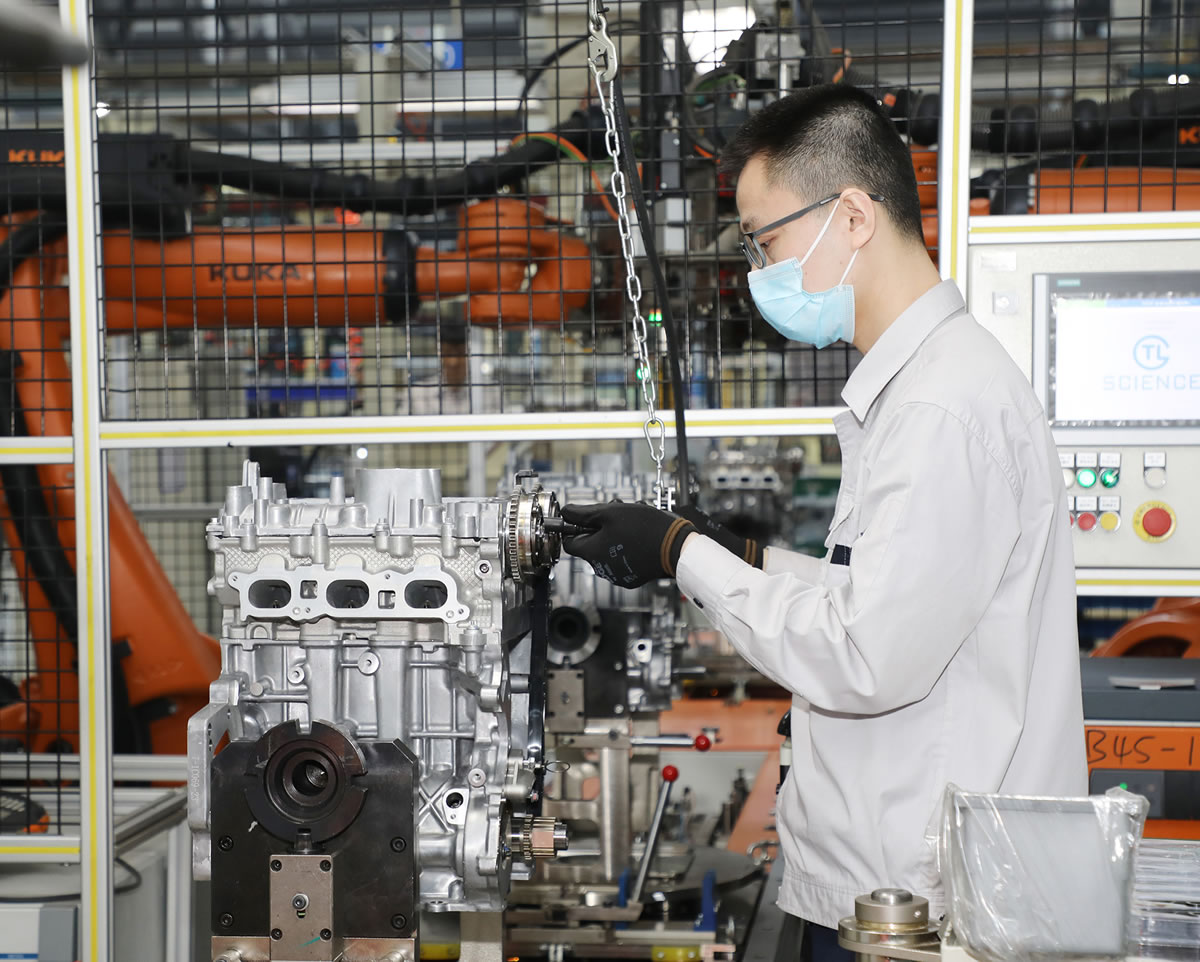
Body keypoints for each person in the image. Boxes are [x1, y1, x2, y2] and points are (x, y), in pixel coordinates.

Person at [560, 85, 1087, 962]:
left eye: (763, 240)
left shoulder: (940, 410)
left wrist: (683, 555)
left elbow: (863, 654)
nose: (757, 270)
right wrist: (743, 556)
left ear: (851, 216)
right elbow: (878, 596)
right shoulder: (923, 390)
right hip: (900, 885)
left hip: (920, 908)